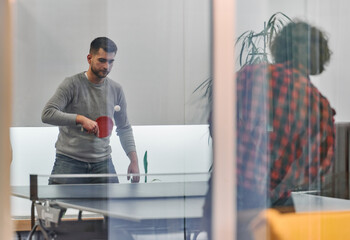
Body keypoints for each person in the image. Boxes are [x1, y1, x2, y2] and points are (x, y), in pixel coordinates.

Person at [203, 21, 335, 239]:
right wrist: (283, 181)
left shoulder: (249, 76)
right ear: (319, 57)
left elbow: (216, 121)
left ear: (281, 47)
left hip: (228, 193)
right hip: (277, 200)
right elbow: (320, 166)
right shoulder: (318, 105)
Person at [42, 37, 140, 184]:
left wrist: (134, 161)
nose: (106, 66)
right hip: (69, 160)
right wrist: (80, 119)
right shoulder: (71, 84)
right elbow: (47, 113)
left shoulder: (116, 89)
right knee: (55, 206)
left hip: (103, 162)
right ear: (89, 58)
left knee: (115, 206)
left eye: (111, 61)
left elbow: (124, 128)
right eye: (102, 60)